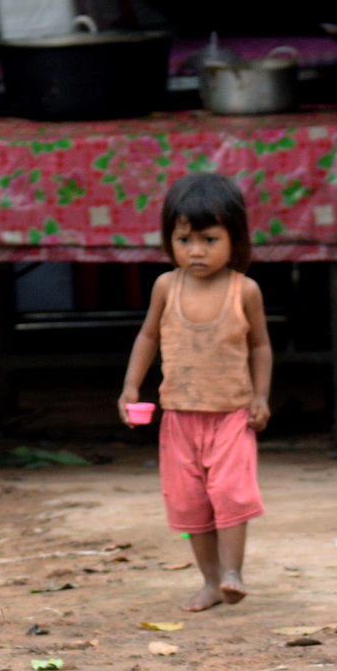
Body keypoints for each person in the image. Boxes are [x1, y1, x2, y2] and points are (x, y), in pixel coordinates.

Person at [119, 172, 271, 612]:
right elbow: (147, 338)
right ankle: (209, 581)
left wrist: (260, 396)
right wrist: (131, 386)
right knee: (190, 504)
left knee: (231, 494)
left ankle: (232, 573)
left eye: (209, 239)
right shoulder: (167, 287)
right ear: (170, 240)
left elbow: (260, 346)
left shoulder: (246, 291)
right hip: (179, 417)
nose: (197, 251)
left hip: (231, 417)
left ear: (234, 239)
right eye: (185, 239)